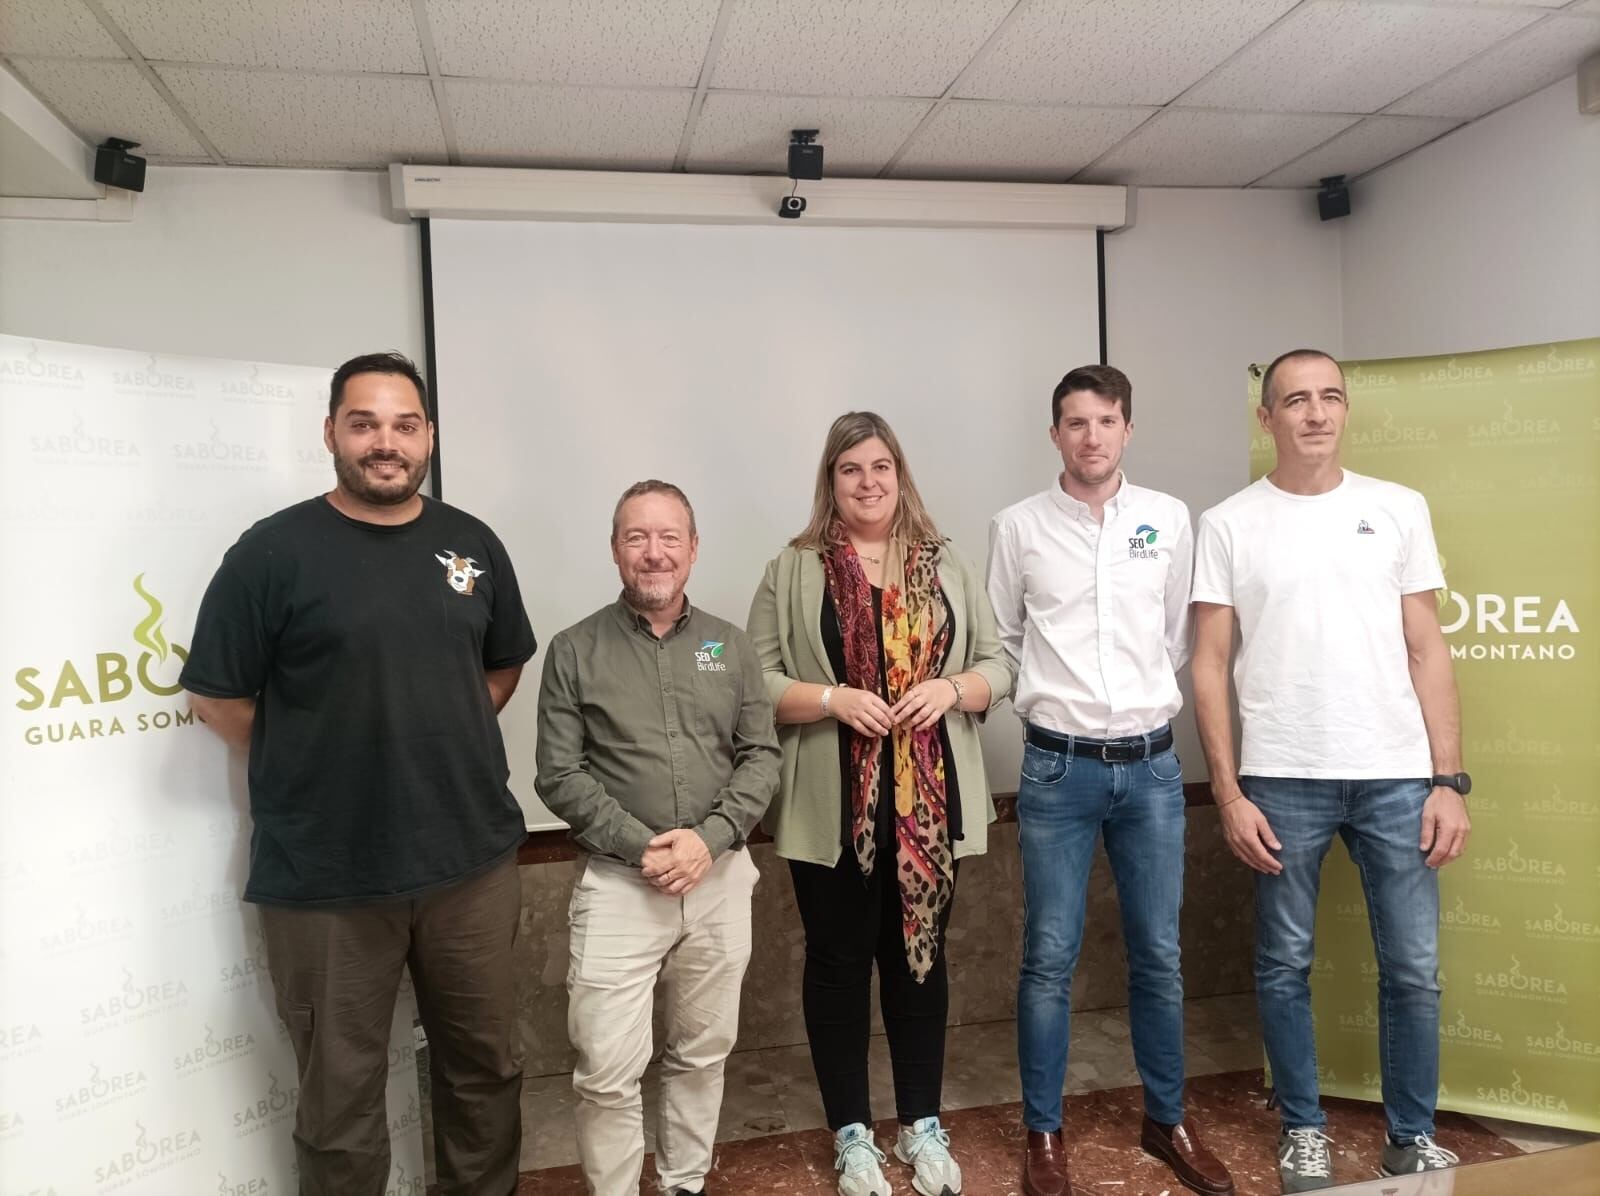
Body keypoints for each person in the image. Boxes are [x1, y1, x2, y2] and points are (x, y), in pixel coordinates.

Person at [182, 351, 534, 1196]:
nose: (387, 442)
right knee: (338, 1105)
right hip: (327, 879)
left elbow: (499, 668)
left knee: (485, 1075)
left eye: (404, 425)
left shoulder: (472, 543)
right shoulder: (271, 554)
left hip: (470, 868)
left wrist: (428, 728)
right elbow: (217, 698)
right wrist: (323, 746)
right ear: (332, 432)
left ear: (429, 437)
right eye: (365, 422)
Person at [1191, 349, 1471, 1193]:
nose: (1315, 413)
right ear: (1265, 416)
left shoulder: (1397, 508)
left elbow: (1427, 646)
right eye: (1295, 400)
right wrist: (1231, 793)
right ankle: (1305, 1131)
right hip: (1282, 777)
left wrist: (1448, 781)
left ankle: (1411, 1136)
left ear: (1345, 409)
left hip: (1396, 775)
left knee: (1413, 969)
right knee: (1284, 964)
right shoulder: (1229, 522)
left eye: (1330, 398)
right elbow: (1208, 663)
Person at [746, 411, 1014, 1196]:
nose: (868, 482)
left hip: (930, 804)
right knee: (836, 965)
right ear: (830, 481)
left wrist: (951, 687)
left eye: (881, 467)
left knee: (919, 962)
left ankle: (921, 1123)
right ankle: (853, 1134)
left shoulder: (947, 563)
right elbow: (751, 685)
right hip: (830, 809)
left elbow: (1000, 666)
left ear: (902, 476)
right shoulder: (792, 569)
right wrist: (831, 699)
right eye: (850, 469)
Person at [987, 365, 1234, 1196]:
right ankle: (1045, 1135)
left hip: (1153, 769)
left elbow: (1173, 639)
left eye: (1105, 421)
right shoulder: (1017, 527)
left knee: (1159, 955)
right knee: (1048, 958)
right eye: (1074, 422)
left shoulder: (1168, 520)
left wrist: (1127, 708)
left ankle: (1167, 1119)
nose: (1090, 436)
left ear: (1128, 428)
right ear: (1053, 434)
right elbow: (1005, 639)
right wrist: (1065, 707)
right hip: (1057, 769)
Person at [535, 480, 780, 1196]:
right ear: (615, 549)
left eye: (669, 537)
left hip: (720, 879)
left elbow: (760, 754)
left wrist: (709, 839)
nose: (654, 553)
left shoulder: (728, 646)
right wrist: (642, 846)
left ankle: (684, 1183)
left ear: (694, 549)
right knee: (607, 1069)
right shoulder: (574, 650)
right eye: (637, 537)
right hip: (619, 886)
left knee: (702, 1053)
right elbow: (558, 771)